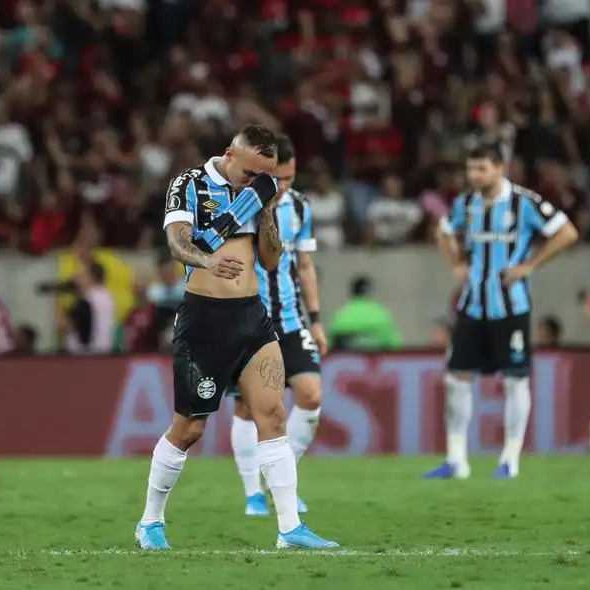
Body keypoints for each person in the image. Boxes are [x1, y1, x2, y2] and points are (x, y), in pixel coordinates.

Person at [136, 124, 337, 551]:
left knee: (273, 415)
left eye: (264, 175)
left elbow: (270, 260)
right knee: (189, 428)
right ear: (230, 154)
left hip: (252, 316)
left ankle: (289, 529)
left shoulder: (260, 194)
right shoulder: (190, 184)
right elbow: (177, 244)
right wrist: (208, 261)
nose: (255, 181)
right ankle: (150, 521)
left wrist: (265, 208)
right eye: (250, 173)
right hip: (204, 320)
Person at [426, 142, 579, 479]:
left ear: (500, 168)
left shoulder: (525, 202)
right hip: (472, 306)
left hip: (511, 307)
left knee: (514, 380)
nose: (474, 175)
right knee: (457, 378)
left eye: (481, 168)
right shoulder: (466, 203)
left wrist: (530, 265)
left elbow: (567, 232)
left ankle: (510, 458)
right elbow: (443, 231)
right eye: (471, 168)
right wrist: (455, 265)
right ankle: (456, 460)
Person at [231, 136, 329, 518]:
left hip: (290, 319)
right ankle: (252, 493)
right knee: (246, 407)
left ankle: (281, 479)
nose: (285, 185)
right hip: (249, 321)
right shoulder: (242, 204)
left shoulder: (300, 207)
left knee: (311, 395)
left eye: (290, 177)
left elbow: (304, 265)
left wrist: (315, 320)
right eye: (278, 178)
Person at [328, 276, 401, 351]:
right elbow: (395, 346)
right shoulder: (381, 315)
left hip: (348, 357)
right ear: (370, 292)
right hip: (377, 356)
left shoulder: (341, 316)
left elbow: (330, 346)